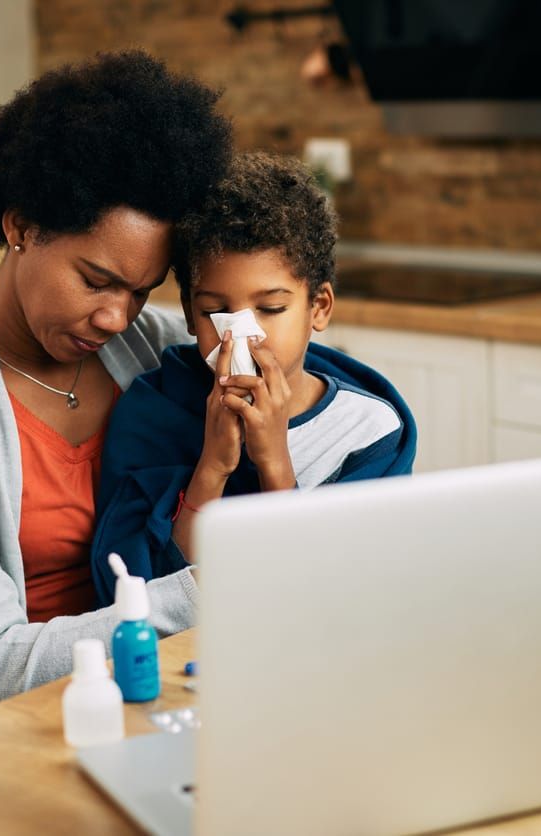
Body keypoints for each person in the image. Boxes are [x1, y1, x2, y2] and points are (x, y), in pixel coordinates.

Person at [0, 51, 233, 741]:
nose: (119, 318)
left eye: (142, 290)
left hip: (159, 694)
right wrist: (215, 588)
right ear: (22, 225)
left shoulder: (152, 349)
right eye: (96, 280)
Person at [89, 152, 417, 603]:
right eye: (215, 312)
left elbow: (343, 592)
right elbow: (135, 595)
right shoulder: (154, 412)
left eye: (271, 308)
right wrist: (214, 466)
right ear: (188, 313)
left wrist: (274, 462)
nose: (241, 336)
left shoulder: (367, 432)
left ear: (318, 307)